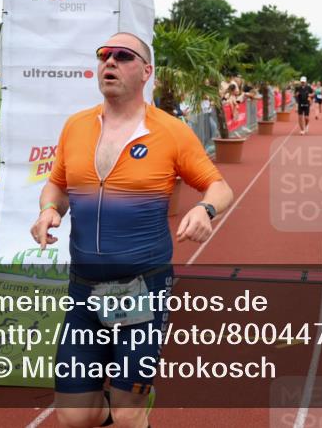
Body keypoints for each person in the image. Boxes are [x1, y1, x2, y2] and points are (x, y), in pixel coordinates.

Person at [30, 32, 233, 428]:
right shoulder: (76, 126)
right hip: (84, 289)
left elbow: (220, 186)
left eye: (123, 56)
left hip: (142, 290)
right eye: (104, 55)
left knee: (128, 414)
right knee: (74, 418)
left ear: (146, 71)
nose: (110, 62)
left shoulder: (170, 131)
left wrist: (205, 210)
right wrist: (49, 210)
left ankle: (131, 410)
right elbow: (56, 183)